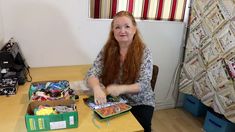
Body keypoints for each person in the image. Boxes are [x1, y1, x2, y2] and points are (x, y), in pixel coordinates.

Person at [85, 10, 155, 132]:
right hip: (114, 101)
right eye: (117, 27)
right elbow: (92, 73)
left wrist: (121, 89)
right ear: (113, 31)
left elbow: (144, 83)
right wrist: (96, 88)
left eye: (127, 26)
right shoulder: (107, 49)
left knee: (137, 128)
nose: (122, 31)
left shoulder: (145, 51)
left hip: (140, 103)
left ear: (134, 29)